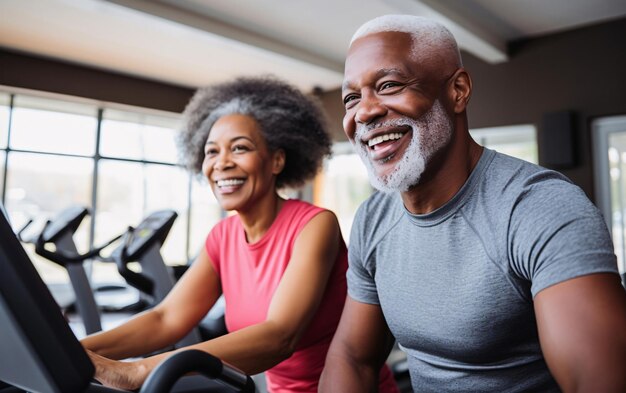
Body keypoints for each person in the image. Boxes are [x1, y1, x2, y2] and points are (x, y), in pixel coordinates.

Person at [319, 14, 626, 393]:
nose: (363, 112)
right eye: (352, 98)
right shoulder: (372, 219)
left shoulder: (539, 208)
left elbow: (596, 382)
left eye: (389, 85)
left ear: (458, 90)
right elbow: (352, 355)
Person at [81, 77, 398, 393]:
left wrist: (139, 370)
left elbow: (279, 336)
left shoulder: (315, 225)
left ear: (276, 160)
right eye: (212, 152)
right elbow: (165, 318)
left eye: (240, 148)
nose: (222, 163)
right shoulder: (222, 237)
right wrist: (71, 348)